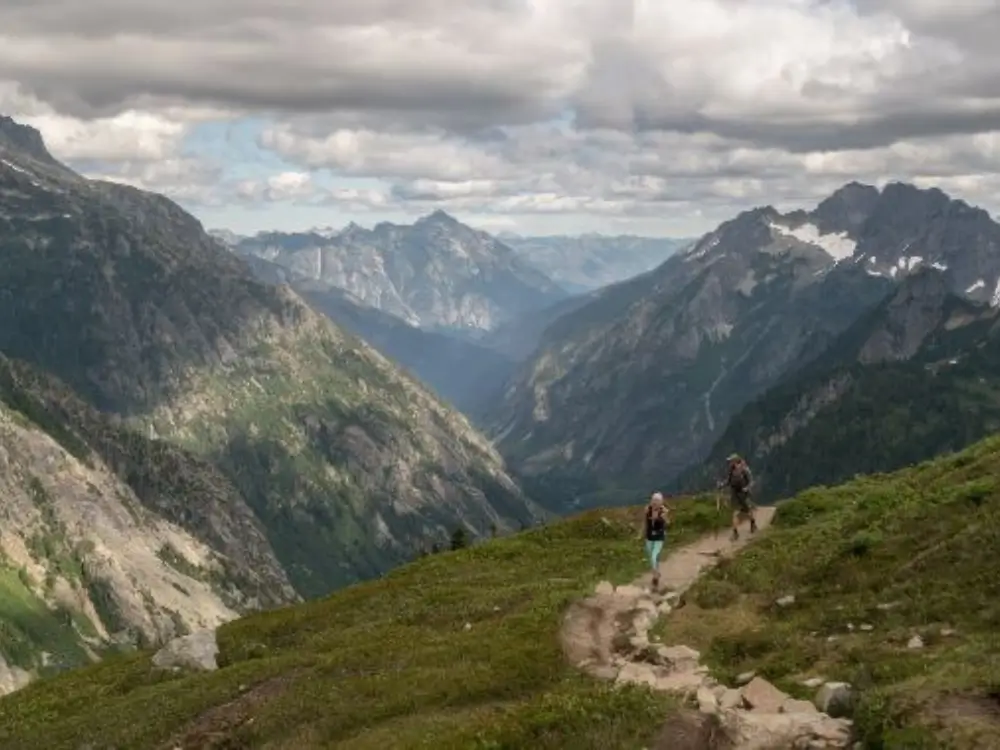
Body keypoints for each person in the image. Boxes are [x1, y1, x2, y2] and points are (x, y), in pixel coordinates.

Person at [719, 453, 757, 541]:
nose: (729, 463)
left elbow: (751, 481)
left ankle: (752, 523)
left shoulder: (745, 469)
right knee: (735, 513)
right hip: (735, 493)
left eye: (730, 461)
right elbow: (728, 481)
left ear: (735, 461)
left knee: (748, 511)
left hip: (743, 493)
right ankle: (735, 533)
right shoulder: (731, 470)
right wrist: (721, 485)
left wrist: (747, 488)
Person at [641, 492, 672, 589]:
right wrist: (642, 533)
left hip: (659, 537)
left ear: (661, 502)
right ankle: (656, 575)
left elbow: (668, 522)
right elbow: (645, 522)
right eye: (654, 500)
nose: (655, 503)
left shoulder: (663, 511)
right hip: (649, 537)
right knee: (652, 558)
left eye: (657, 501)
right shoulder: (647, 510)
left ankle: (655, 576)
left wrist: (664, 517)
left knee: (654, 556)